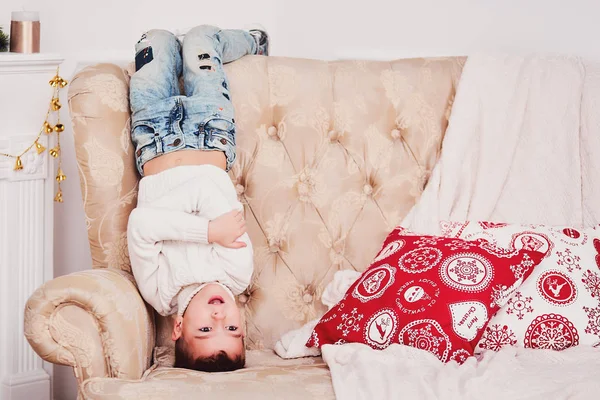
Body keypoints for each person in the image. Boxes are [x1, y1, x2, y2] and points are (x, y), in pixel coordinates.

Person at [126, 25, 269, 372]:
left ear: (178, 328)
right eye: (232, 329)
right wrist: (176, 221)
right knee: (201, 40)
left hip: (153, 135)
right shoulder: (237, 271)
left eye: (206, 329)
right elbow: (205, 184)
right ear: (243, 325)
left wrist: (209, 233)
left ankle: (169, 48)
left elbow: (139, 224)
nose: (220, 315)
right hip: (210, 132)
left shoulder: (159, 293)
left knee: (153, 40)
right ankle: (256, 41)